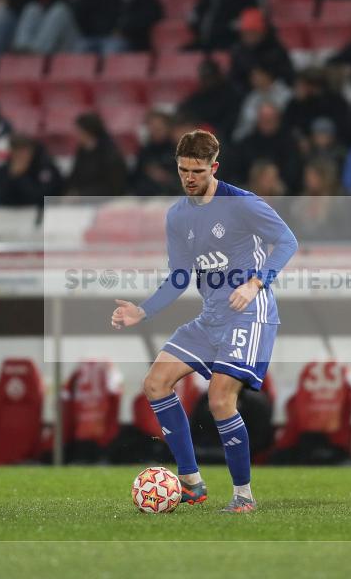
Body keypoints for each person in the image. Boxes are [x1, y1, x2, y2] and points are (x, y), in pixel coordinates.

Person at [111, 129, 298, 513]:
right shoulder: (178, 216)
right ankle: (192, 483)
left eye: (197, 170)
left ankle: (243, 496)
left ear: (214, 167)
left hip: (250, 313)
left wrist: (256, 283)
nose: (189, 178)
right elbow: (179, 276)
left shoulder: (242, 204)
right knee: (156, 383)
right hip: (211, 318)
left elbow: (288, 241)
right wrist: (142, 311)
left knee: (219, 398)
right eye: (183, 170)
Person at [228, 8, 295, 93]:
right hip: (249, 96)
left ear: (263, 32)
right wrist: (251, 83)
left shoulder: (276, 50)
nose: (248, 36)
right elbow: (234, 80)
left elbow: (289, 77)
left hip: (276, 93)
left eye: (252, 32)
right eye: (245, 32)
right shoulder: (238, 51)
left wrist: (270, 80)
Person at [177, 59, 243, 139]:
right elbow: (183, 112)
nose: (207, 80)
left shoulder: (230, 96)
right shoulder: (197, 97)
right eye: (204, 77)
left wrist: (212, 131)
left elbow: (231, 122)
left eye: (210, 76)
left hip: (222, 138)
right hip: (197, 135)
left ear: (218, 75)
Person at [67, 113, 128, 197]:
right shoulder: (82, 151)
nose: (77, 134)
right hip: (83, 198)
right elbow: (75, 177)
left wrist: (82, 194)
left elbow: (114, 186)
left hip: (103, 200)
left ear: (88, 131)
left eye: (79, 131)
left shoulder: (110, 153)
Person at [189, 0, 260, 51]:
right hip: (206, 42)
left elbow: (257, 12)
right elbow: (198, 10)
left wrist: (237, 25)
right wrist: (194, 22)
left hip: (232, 43)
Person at [0, 134, 64, 206]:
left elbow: (42, 198)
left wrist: (20, 177)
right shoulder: (8, 166)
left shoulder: (45, 167)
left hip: (47, 211)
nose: (19, 154)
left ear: (32, 150)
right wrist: (12, 177)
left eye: (23, 150)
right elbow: (1, 196)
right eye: (16, 150)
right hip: (12, 212)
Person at [133, 111, 180, 197]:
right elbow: (135, 179)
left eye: (159, 127)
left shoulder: (179, 149)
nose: (155, 131)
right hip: (147, 198)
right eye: (152, 128)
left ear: (168, 127)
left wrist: (167, 178)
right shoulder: (145, 151)